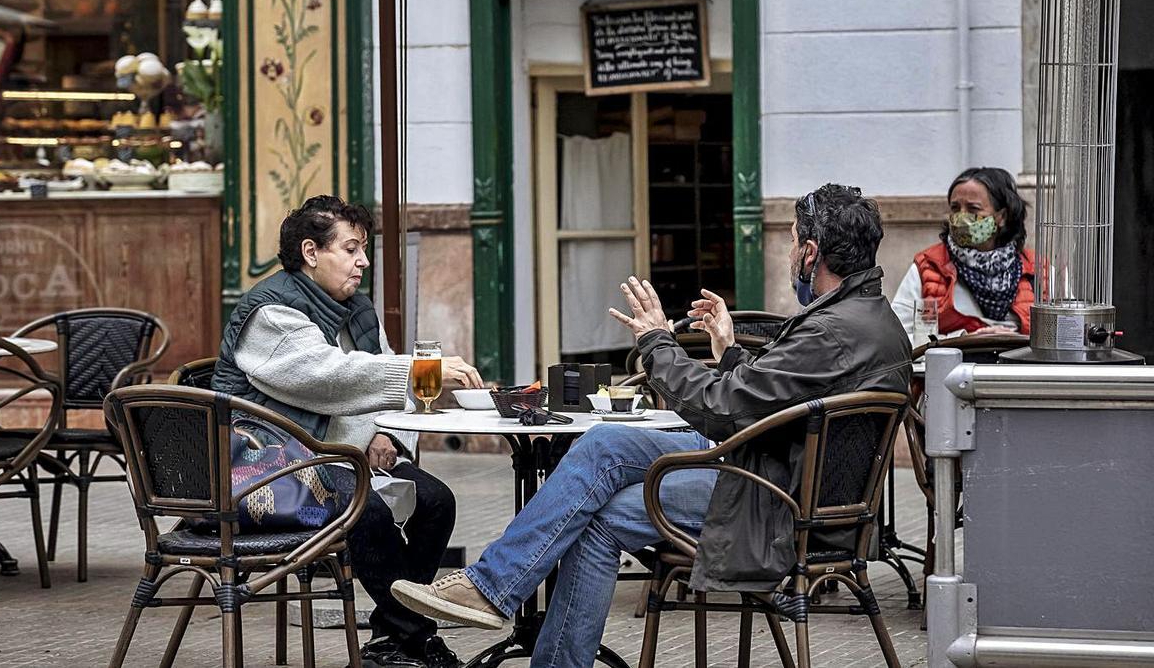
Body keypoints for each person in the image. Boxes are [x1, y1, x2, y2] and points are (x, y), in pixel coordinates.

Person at [390, 183, 912, 668]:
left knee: (597, 513)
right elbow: (767, 400)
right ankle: (493, 586)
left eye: (793, 241)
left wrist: (658, 341)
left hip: (776, 503)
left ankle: (499, 594)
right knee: (606, 442)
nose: (789, 253)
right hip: (780, 476)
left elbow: (721, 407)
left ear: (812, 251)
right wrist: (728, 350)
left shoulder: (835, 330)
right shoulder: (862, 318)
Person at [211, 195, 483, 668]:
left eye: (364, 249)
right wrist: (423, 367)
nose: (363, 262)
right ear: (312, 252)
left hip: (336, 460)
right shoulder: (270, 312)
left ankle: (391, 637)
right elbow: (328, 376)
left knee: (436, 501)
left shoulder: (356, 308)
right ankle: (416, 636)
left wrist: (389, 436)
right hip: (265, 469)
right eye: (352, 249)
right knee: (369, 511)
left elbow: (380, 377)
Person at [892, 167, 1035, 337]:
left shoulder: (1039, 271)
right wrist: (962, 339)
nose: (961, 217)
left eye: (973, 209)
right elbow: (899, 337)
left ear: (1002, 216)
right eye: (955, 208)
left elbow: (1064, 334)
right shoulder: (929, 267)